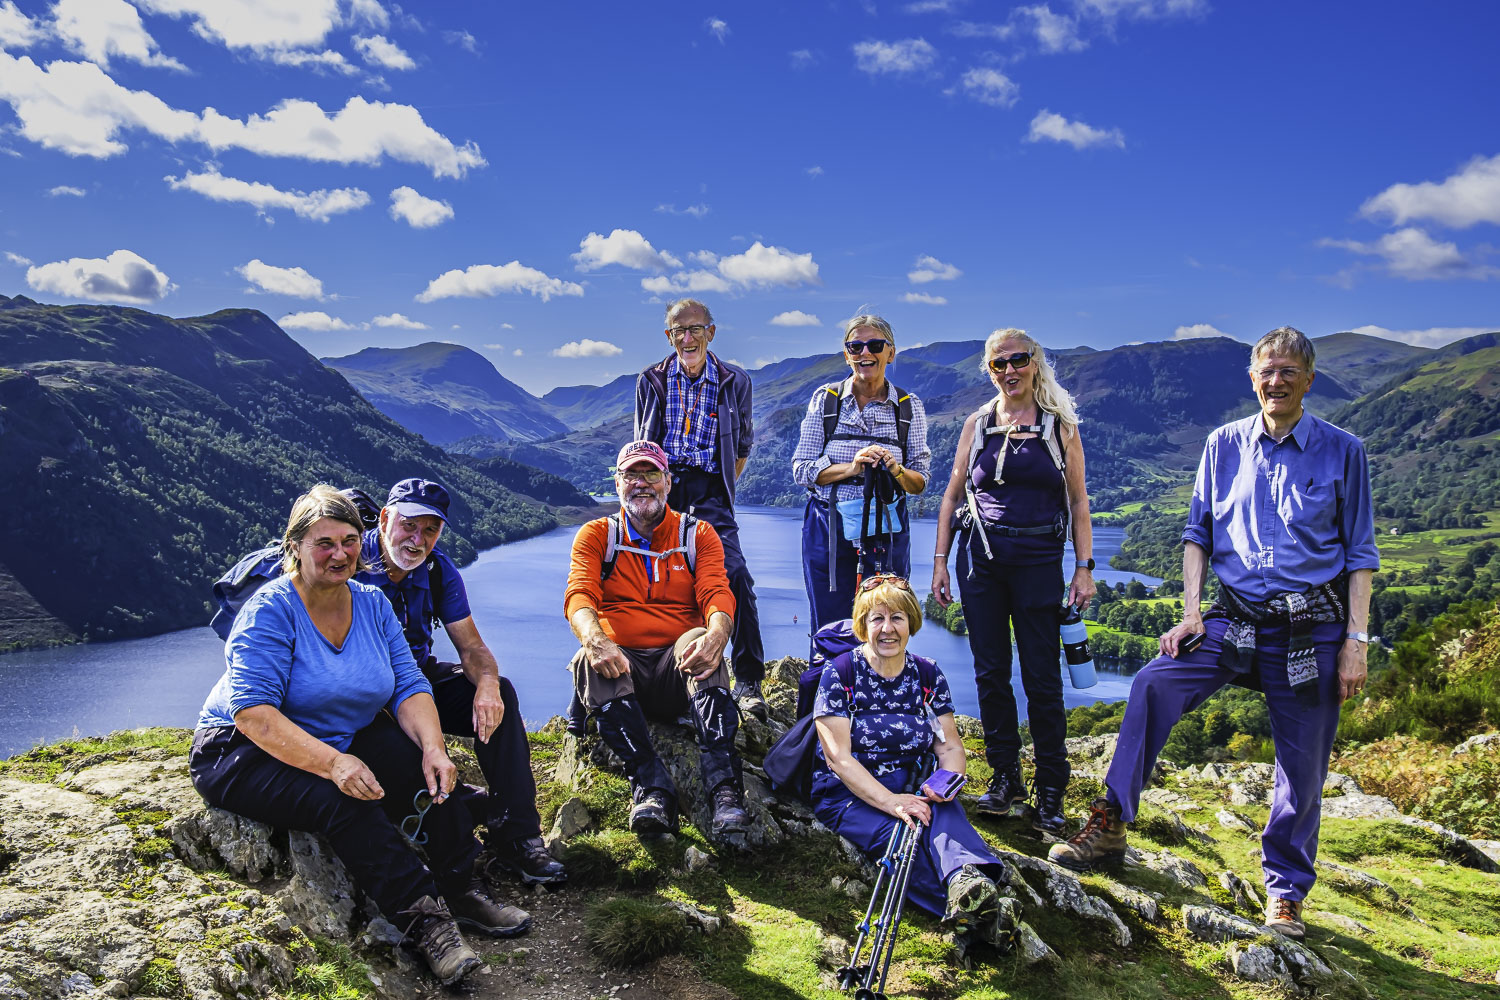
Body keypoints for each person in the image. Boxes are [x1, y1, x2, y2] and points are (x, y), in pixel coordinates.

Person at [1048, 327, 1379, 942]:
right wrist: (1191, 613)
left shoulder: (1344, 451)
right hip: (1235, 617)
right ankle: (1110, 824)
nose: (1276, 382)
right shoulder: (1222, 444)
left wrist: (1354, 642)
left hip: (1311, 627)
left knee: (1302, 765)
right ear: (1252, 379)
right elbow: (1197, 534)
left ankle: (1284, 893)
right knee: (1154, 683)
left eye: (1288, 371)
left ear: (1309, 379)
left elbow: (1360, 554)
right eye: (1266, 371)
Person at [190, 486, 530, 988]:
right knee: (343, 800)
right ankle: (428, 926)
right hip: (240, 751)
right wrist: (334, 764)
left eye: (349, 541)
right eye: (324, 543)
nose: (340, 554)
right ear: (295, 547)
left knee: (426, 774)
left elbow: (409, 684)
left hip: (336, 729)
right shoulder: (270, 610)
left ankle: (461, 889)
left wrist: (433, 748)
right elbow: (254, 715)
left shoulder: (371, 604)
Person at [356, 478, 565, 888]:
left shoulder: (437, 570)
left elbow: (471, 647)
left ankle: (517, 836)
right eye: (408, 525)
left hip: (415, 679)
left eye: (430, 529)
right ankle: (462, 826)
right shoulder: (350, 561)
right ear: (384, 519)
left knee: (501, 694)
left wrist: (487, 684)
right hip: (364, 696)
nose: (418, 539)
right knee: (394, 747)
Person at [932, 329, 1096, 838]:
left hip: (1038, 562)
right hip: (980, 561)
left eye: (1018, 360)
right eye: (998, 363)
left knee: (1042, 677)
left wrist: (1084, 567)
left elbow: (1079, 501)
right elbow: (951, 495)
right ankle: (1004, 779)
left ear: (1035, 363)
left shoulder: (1059, 427)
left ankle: (1051, 790)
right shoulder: (977, 424)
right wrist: (940, 562)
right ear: (989, 369)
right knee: (990, 673)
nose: (1009, 370)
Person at [563, 440, 751, 840]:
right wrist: (594, 639)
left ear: (667, 481)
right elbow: (579, 595)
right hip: (622, 673)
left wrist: (718, 633)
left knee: (701, 641)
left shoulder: (697, 534)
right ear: (618, 483)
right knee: (586, 658)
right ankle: (651, 787)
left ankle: (724, 788)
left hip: (675, 673)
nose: (641, 483)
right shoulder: (597, 535)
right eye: (631, 475)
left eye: (651, 473)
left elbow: (717, 592)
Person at [812, 574, 1007, 938]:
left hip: (915, 784)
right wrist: (892, 802)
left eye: (897, 618)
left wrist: (942, 785)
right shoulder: (840, 674)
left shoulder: (927, 674)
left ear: (911, 622)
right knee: (903, 842)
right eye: (877, 619)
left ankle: (968, 884)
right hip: (849, 793)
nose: (887, 629)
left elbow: (949, 748)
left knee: (943, 813)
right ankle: (983, 917)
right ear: (862, 625)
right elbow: (838, 758)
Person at [634, 299, 766, 719]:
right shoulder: (651, 380)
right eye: (679, 331)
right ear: (668, 336)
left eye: (695, 329)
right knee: (649, 575)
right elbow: (642, 445)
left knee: (735, 574)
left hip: (710, 492)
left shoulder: (735, 381)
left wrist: (720, 490)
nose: (687, 338)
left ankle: (749, 679)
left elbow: (741, 448)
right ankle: (650, 679)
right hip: (664, 490)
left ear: (711, 332)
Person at [791, 313, 931, 637]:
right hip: (829, 529)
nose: (865, 353)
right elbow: (801, 469)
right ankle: (829, 672)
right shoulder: (826, 401)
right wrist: (852, 468)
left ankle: (881, 672)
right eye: (855, 347)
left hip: (887, 533)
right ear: (846, 354)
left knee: (885, 623)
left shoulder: (908, 408)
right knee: (829, 625)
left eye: (875, 345)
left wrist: (895, 469)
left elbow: (920, 481)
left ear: (890, 353)